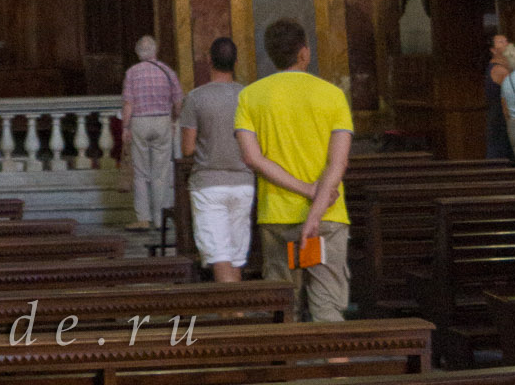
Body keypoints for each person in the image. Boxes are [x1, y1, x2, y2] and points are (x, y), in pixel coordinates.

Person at [234, 17, 352, 321]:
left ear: (272, 55)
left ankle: (286, 368)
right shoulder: (333, 95)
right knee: (327, 309)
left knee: (282, 310)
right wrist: (315, 205)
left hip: (277, 217)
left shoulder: (250, 96)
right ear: (304, 53)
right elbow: (337, 163)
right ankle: (339, 369)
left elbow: (252, 158)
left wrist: (306, 192)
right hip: (327, 216)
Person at [180, 36, 256, 282]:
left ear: (209, 60)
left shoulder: (196, 97)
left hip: (209, 183)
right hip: (243, 181)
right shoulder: (248, 96)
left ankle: (233, 314)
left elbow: (188, 149)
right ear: (235, 62)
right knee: (235, 255)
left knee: (219, 255)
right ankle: (236, 313)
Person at [121, 33, 182, 233]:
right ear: (155, 51)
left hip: (139, 122)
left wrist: (125, 127)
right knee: (161, 173)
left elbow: (128, 103)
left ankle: (143, 218)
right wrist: (174, 119)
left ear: (138, 53)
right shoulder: (167, 71)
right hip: (162, 120)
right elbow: (178, 101)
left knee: (140, 173)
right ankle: (159, 218)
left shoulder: (132, 72)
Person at [486, 32, 515, 164]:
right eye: (501, 42)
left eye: (506, 41)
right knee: (501, 153)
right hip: (502, 115)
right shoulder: (499, 70)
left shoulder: (505, 68)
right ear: (493, 50)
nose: (507, 44)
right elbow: (510, 97)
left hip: (500, 114)